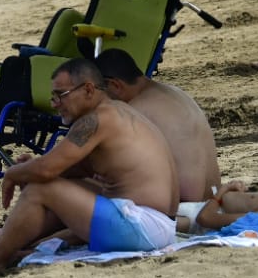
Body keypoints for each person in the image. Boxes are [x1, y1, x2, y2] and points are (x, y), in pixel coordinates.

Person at [0, 58, 178, 276]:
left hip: (143, 227)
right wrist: (33, 168)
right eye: (53, 97)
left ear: (88, 89)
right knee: (60, 186)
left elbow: (47, 170)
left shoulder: (94, 120)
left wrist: (15, 173)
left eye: (61, 95)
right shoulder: (118, 112)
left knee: (41, 190)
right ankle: (7, 244)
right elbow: (65, 170)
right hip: (157, 226)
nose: (55, 105)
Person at [95, 48, 221, 209]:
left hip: (181, 211)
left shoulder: (135, 110)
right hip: (213, 203)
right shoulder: (176, 94)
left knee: (78, 188)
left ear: (115, 85)